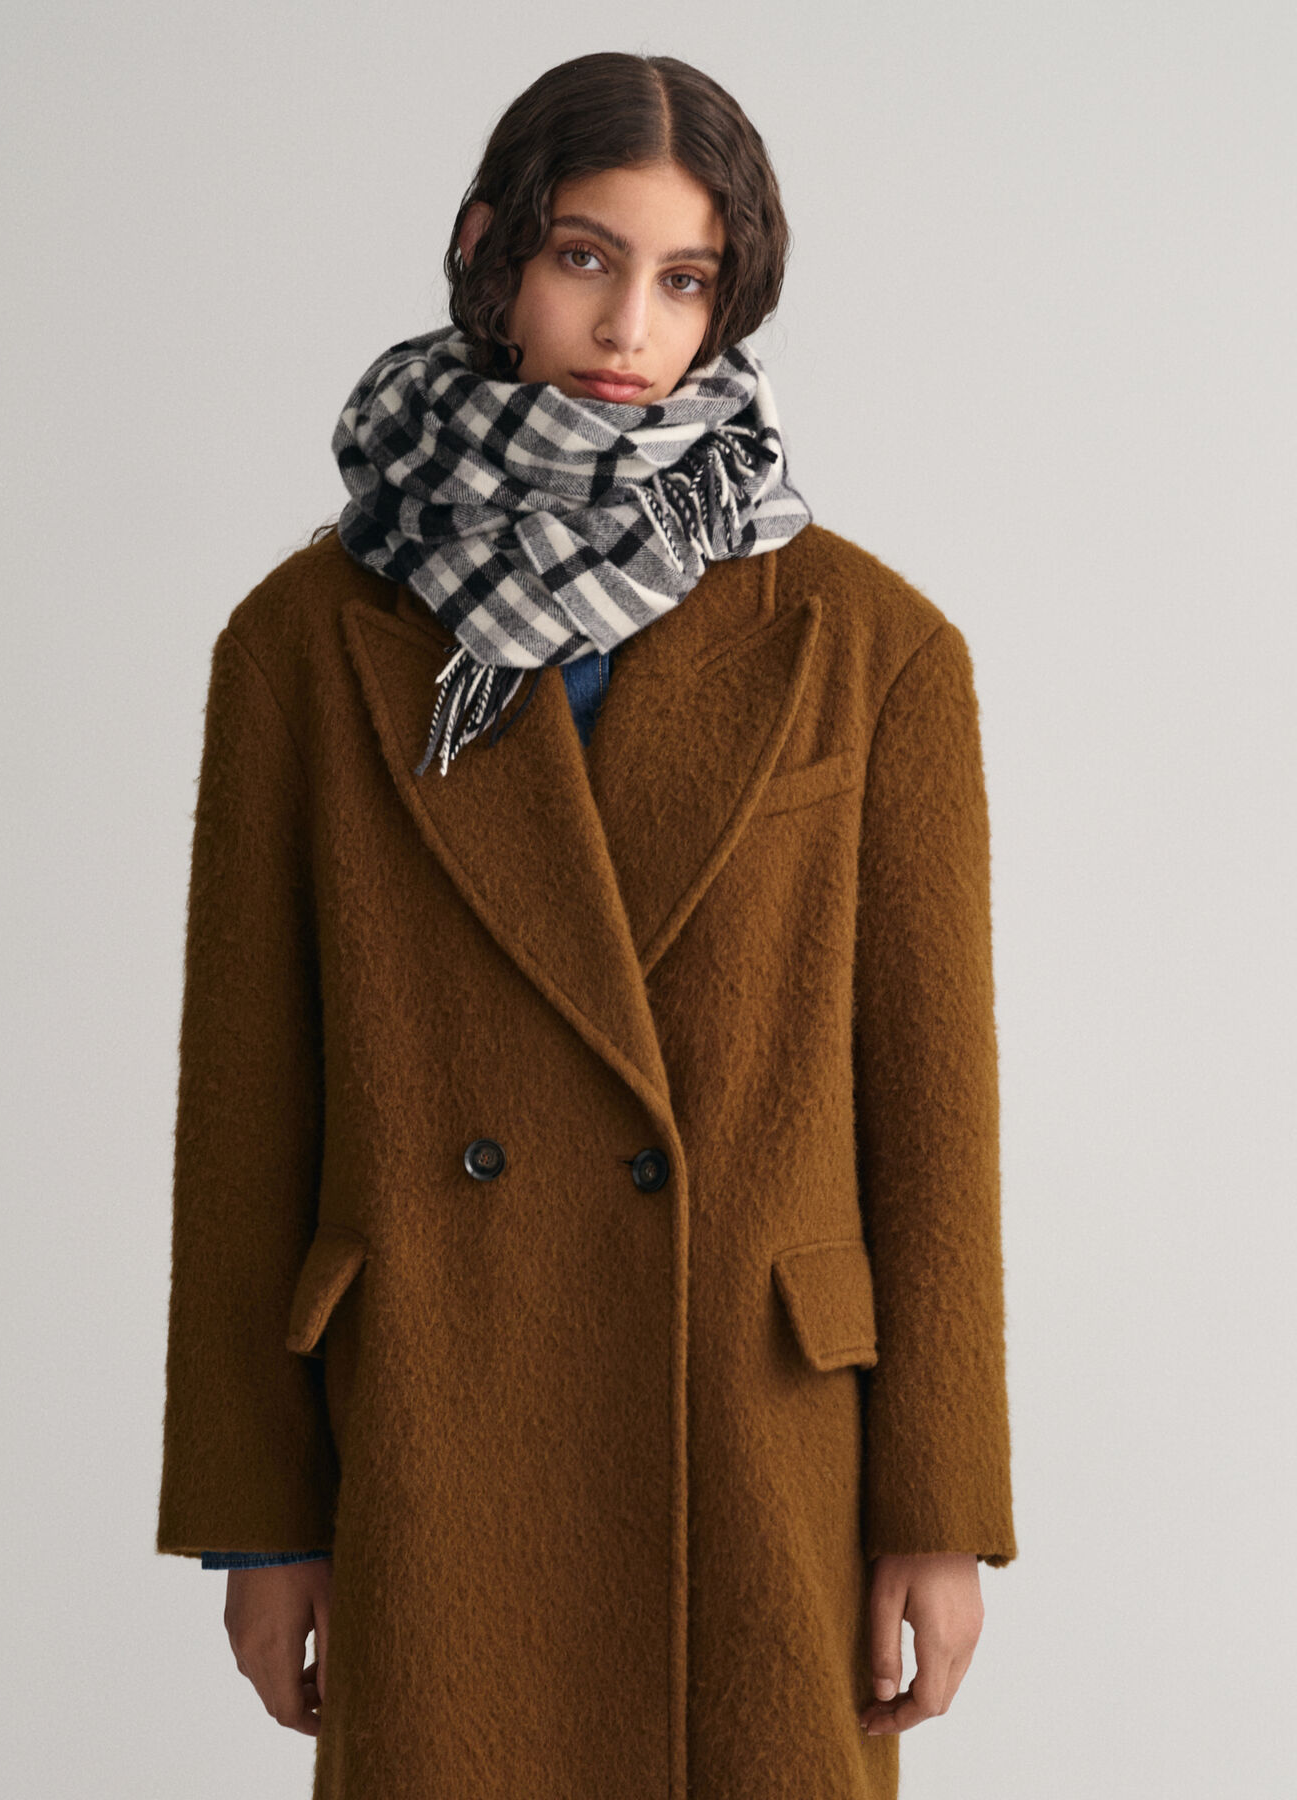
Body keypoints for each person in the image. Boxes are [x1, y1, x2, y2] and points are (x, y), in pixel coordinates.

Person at [156, 49, 1017, 1800]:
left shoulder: (869, 646)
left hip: (758, 1437)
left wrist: (941, 1509)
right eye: (585, 256)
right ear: (488, 248)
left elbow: (933, 1117)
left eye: (686, 278)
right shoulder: (306, 643)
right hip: (436, 1425)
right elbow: (245, 1107)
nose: (632, 325)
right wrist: (259, 1517)